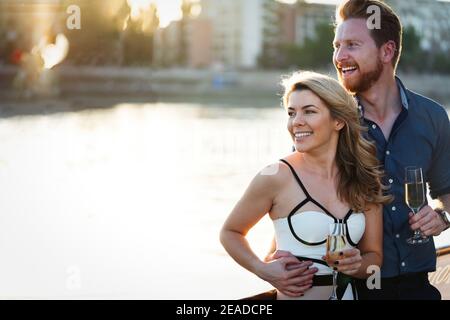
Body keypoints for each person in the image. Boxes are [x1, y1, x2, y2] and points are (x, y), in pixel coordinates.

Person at [269, 0, 450, 300]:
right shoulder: (327, 122)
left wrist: (442, 217)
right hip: (349, 289)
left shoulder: (432, 117)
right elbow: (295, 200)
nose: (339, 56)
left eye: (352, 45)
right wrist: (274, 258)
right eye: (336, 45)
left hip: (418, 287)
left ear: (387, 51)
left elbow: (447, 192)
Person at [220, 71, 390, 300]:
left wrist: (355, 265)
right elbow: (230, 232)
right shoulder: (275, 175)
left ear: (338, 121)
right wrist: (262, 269)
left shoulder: (364, 178)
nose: (296, 122)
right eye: (291, 113)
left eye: (309, 111)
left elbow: (374, 258)